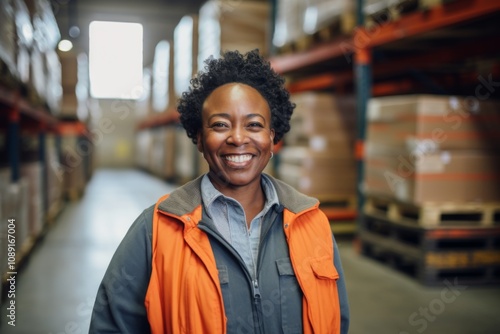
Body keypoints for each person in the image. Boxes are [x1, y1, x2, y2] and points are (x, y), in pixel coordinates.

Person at [89, 49, 350, 334]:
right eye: (220, 125)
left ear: (272, 137)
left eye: (253, 125)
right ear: (199, 139)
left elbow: (338, 320)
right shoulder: (155, 231)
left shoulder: (312, 223)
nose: (238, 138)